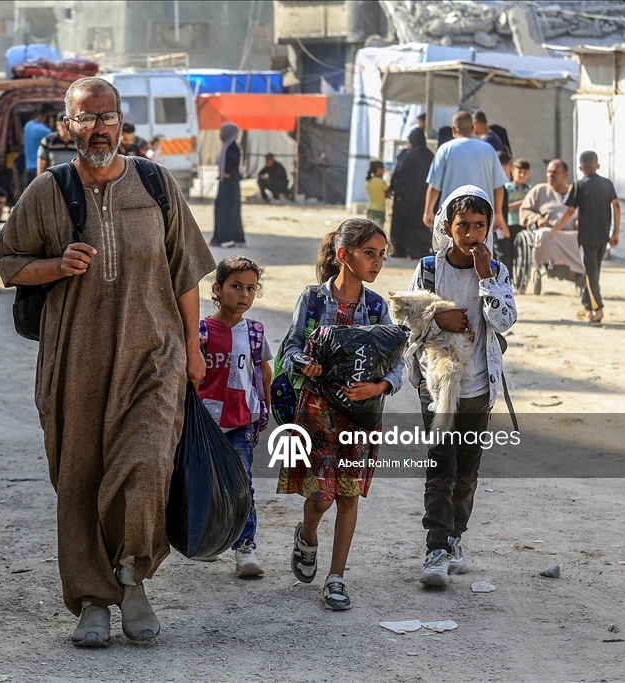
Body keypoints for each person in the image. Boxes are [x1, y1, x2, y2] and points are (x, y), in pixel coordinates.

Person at [0, 76, 215, 647]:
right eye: (87, 119)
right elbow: (10, 262)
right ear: (68, 126)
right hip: (77, 360)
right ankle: (93, 599)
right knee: (81, 476)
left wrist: (193, 347)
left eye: (109, 117)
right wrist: (56, 265)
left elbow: (185, 271)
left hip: (154, 354)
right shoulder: (49, 190)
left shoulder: (155, 181)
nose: (100, 129)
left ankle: (133, 576)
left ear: (121, 122)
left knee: (145, 466)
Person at [277, 218, 404, 610]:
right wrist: (304, 363)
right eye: (369, 253)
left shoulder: (379, 306)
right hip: (318, 413)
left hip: (360, 417)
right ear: (343, 255)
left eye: (381, 255)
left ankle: (336, 578)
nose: (377, 262)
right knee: (320, 497)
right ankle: (308, 537)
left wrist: (380, 387)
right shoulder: (313, 300)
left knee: (348, 497)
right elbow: (291, 346)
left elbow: (398, 360)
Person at [402, 186, 517, 587]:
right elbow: (406, 321)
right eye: (462, 226)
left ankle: (454, 538)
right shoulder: (430, 268)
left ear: (488, 229)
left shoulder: (498, 272)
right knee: (440, 464)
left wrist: (486, 279)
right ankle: (435, 547)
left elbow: (504, 322)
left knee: (467, 470)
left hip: (479, 385)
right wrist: (439, 321)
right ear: (447, 227)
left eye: (479, 226)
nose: (470, 234)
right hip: (437, 382)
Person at [196, 256, 273, 578]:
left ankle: (245, 548)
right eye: (236, 286)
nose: (244, 294)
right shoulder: (200, 331)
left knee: (242, 486)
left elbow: (264, 371)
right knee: (205, 485)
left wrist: (267, 408)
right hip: (205, 424)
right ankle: (211, 541)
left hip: (240, 421)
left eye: (251, 288)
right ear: (218, 288)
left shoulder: (254, 333)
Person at [550, 151, 620, 324]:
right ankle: (587, 306)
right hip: (603, 235)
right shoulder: (607, 184)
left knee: (590, 273)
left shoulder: (578, 186)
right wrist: (616, 231)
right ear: (598, 166)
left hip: (587, 237)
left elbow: (570, 210)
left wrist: (556, 228)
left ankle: (598, 309)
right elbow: (616, 206)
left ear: (580, 168)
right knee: (594, 272)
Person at [423, 111, 509, 246]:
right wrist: (498, 212)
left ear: (453, 129)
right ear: (473, 128)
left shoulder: (445, 149)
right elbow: (498, 185)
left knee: (449, 258)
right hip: (482, 216)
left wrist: (428, 211)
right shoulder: (489, 150)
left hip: (452, 217)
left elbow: (434, 186)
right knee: (481, 258)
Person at [519, 159, 584, 283]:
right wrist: (537, 219)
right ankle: (556, 265)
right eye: (548, 172)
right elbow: (524, 210)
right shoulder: (539, 190)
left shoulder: (574, 192)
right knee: (545, 235)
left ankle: (576, 272)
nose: (550, 175)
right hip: (549, 230)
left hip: (572, 232)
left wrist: (580, 221)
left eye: (555, 172)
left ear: (566, 175)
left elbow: (584, 212)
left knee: (584, 238)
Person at [389, 127, 434, 259]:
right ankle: (419, 250)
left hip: (406, 199)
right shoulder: (430, 156)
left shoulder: (408, 156)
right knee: (421, 225)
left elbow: (398, 175)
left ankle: (401, 250)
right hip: (424, 199)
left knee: (404, 225)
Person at [212, 122, 245, 248]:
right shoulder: (227, 146)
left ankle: (227, 238)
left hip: (230, 185)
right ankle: (220, 237)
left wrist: (227, 173)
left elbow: (233, 165)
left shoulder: (232, 148)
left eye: (222, 132)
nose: (220, 134)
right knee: (222, 209)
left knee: (228, 210)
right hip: (225, 183)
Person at [503, 158, 532, 268]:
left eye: (525, 173)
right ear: (512, 171)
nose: (522, 175)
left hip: (524, 225)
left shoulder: (529, 190)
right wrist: (522, 203)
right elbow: (505, 208)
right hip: (510, 224)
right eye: (519, 172)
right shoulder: (506, 188)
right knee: (509, 254)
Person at [22, 103, 55, 189]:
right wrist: (51, 127)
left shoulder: (28, 125)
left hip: (28, 168)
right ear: (48, 114)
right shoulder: (45, 131)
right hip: (40, 169)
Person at [365, 160, 390, 226]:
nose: (384, 171)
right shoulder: (381, 182)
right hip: (379, 210)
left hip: (370, 209)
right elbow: (388, 194)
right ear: (378, 169)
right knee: (379, 231)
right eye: (382, 169)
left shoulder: (368, 182)